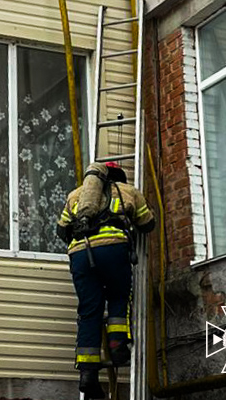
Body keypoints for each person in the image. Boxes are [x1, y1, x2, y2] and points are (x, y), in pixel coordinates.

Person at [57, 160, 155, 400]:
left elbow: (61, 231)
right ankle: (117, 346)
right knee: (119, 295)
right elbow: (148, 224)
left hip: (80, 255)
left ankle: (87, 374)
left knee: (89, 311)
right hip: (112, 251)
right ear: (117, 176)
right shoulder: (126, 191)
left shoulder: (75, 196)